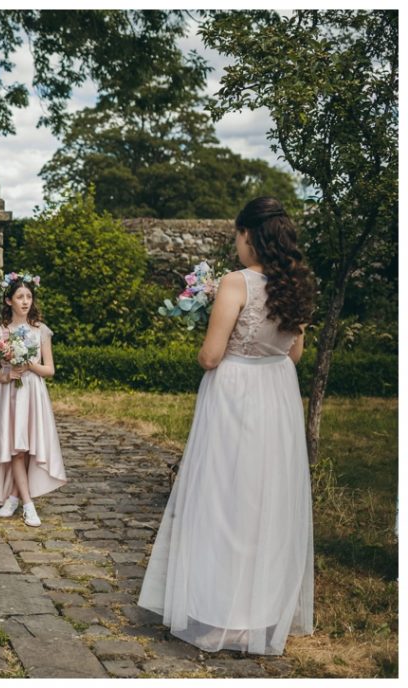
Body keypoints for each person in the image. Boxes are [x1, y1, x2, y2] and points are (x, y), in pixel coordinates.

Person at [138, 197, 316, 655]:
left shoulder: (234, 283)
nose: (236, 244)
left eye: (237, 236)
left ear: (248, 235)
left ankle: (220, 612)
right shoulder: (296, 283)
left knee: (223, 497)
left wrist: (210, 323)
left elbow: (211, 355)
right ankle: (257, 614)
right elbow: (293, 353)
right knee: (264, 501)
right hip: (277, 395)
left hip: (235, 395)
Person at [0, 272, 66, 527]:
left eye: (29, 296)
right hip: (10, 392)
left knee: (29, 446)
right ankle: (28, 505)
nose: (25, 301)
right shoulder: (0, 332)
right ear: (9, 301)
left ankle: (15, 497)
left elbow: (49, 370)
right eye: (20, 296)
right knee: (17, 448)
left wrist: (29, 364)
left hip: (33, 391)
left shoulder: (41, 331)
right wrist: (5, 377)